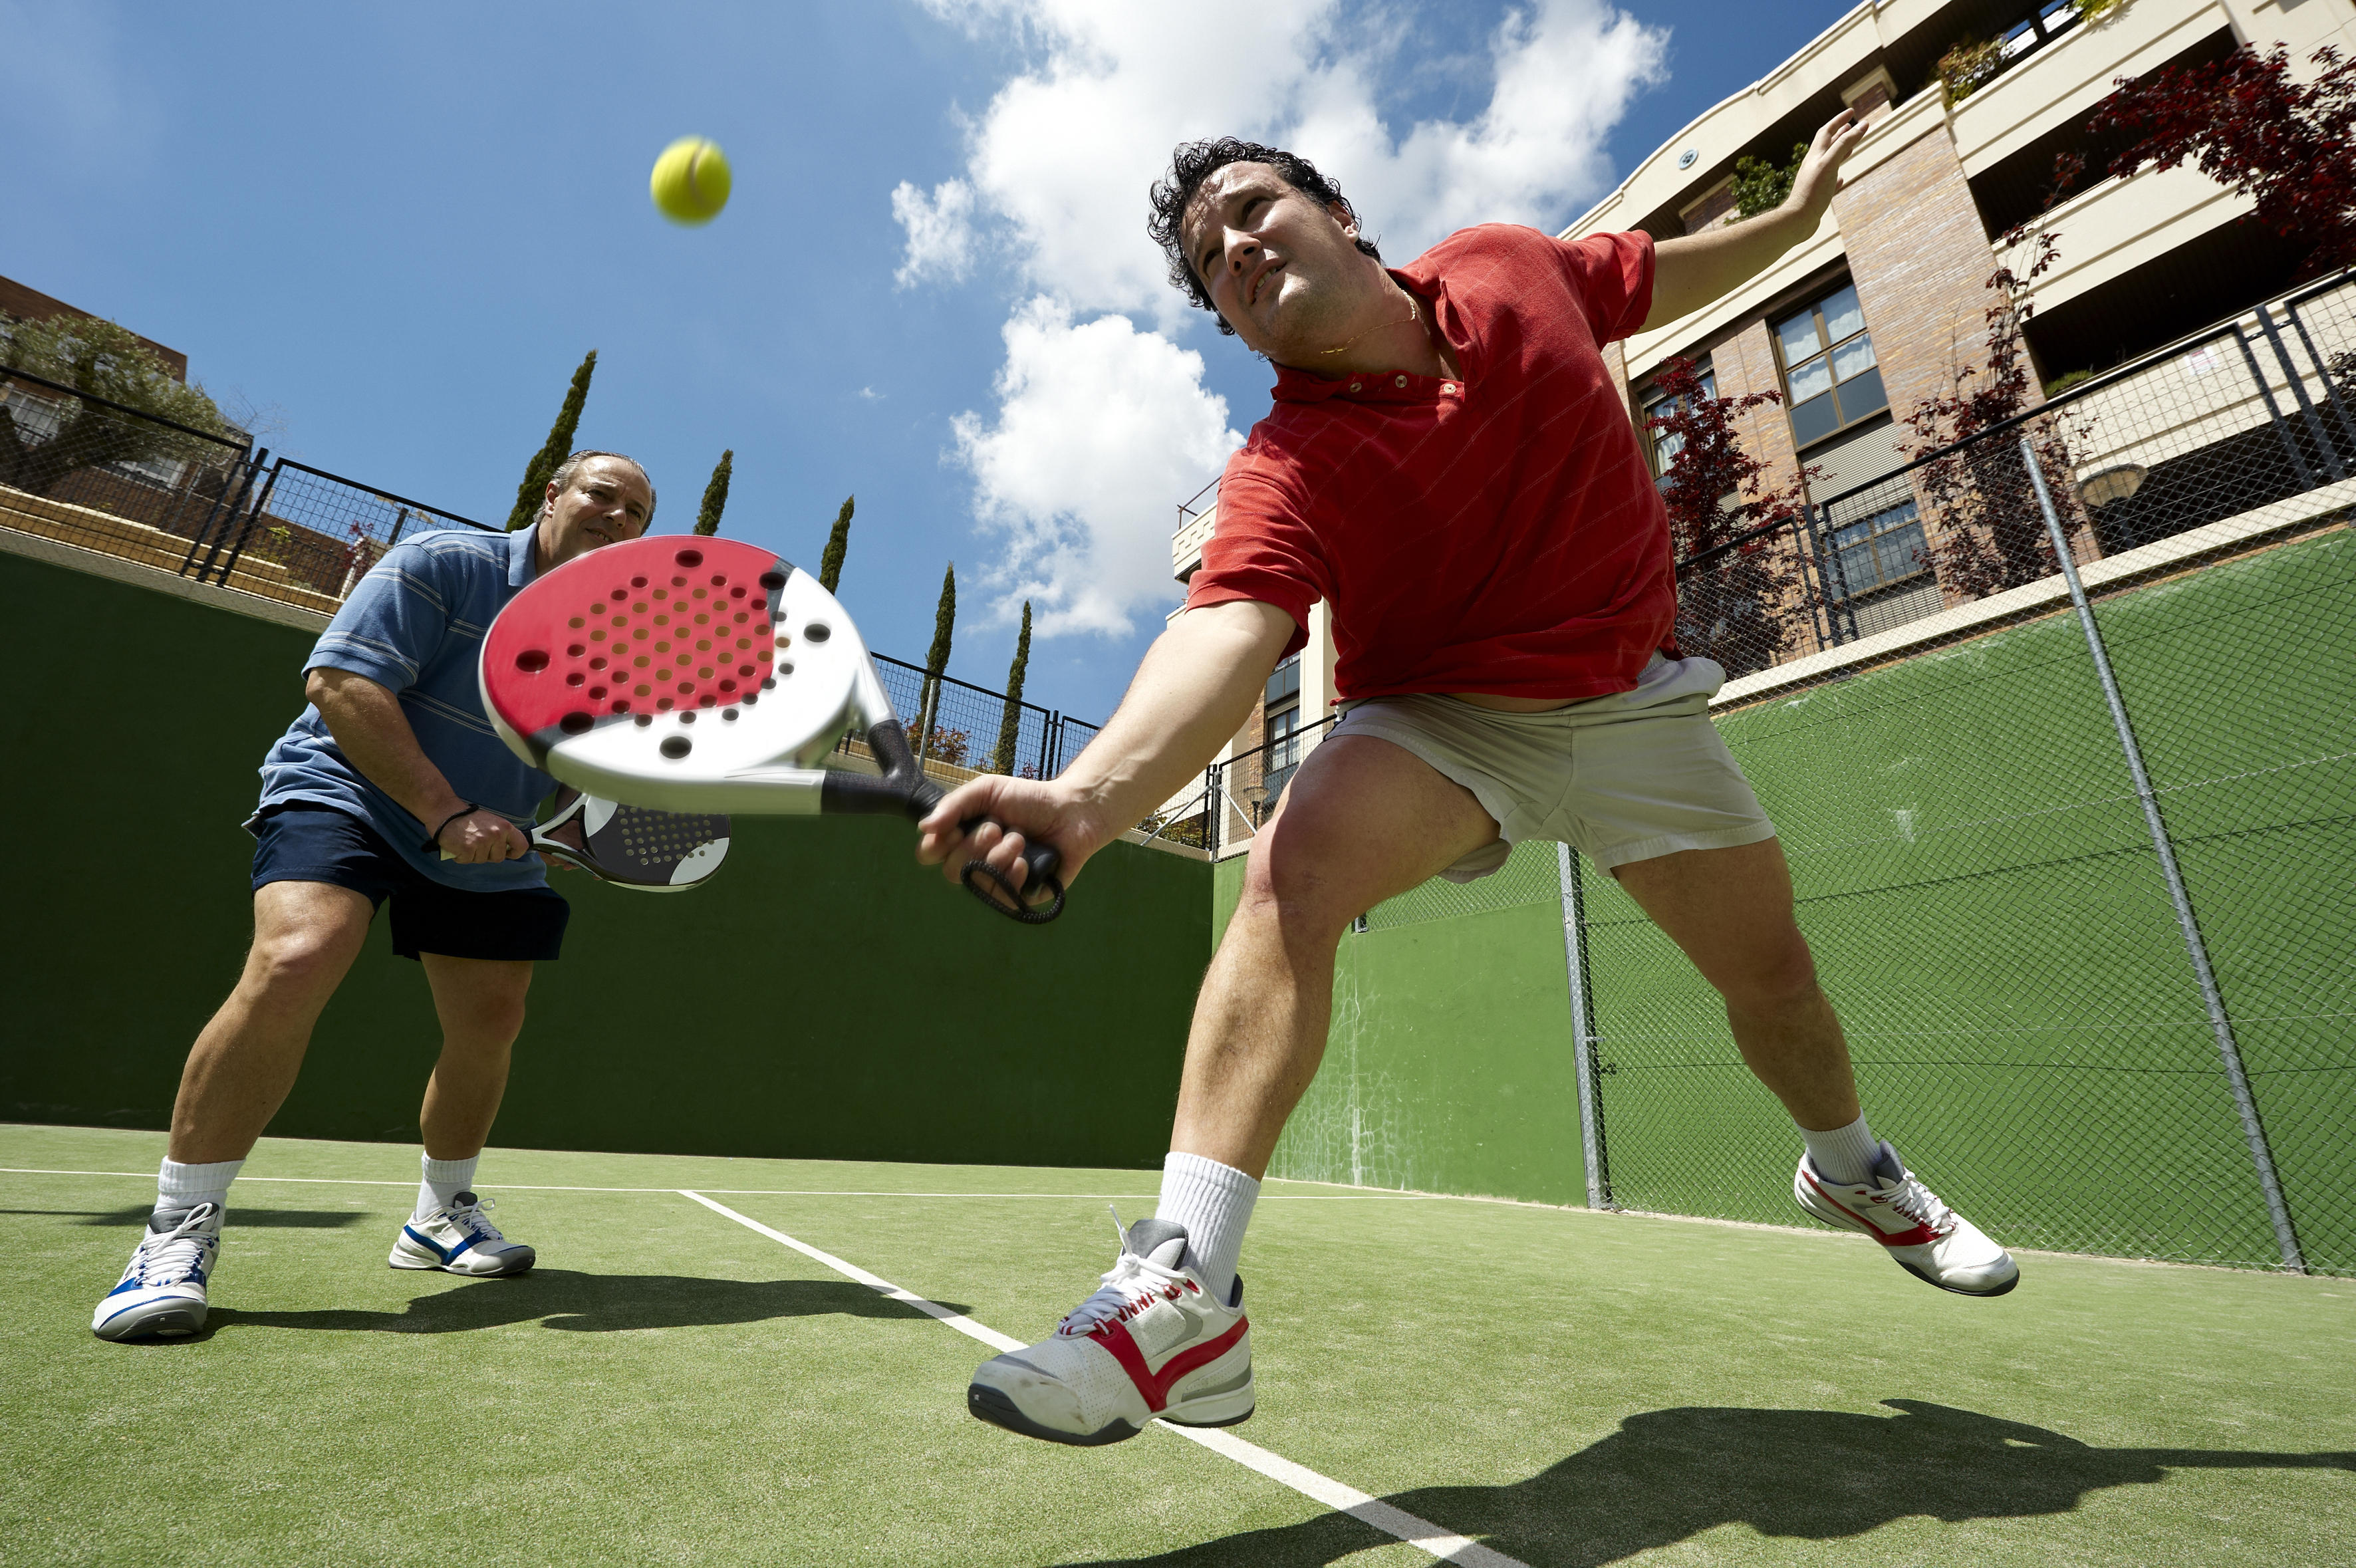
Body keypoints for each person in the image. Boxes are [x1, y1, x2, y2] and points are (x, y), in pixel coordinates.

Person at [922, 114, 2018, 1446]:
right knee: (1292, 863)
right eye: (1211, 263)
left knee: (1772, 983)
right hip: (1443, 722)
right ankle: (1184, 1291)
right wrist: (1088, 801)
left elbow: (1648, 275)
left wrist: (1794, 222)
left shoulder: (1509, 264)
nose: (1237, 248)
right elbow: (1222, 630)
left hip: (1634, 707)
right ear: (1236, 329)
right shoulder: (1285, 468)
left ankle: (1852, 1172)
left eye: (1253, 209)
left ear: (1345, 224)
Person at [91, 452, 656, 1341]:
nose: (617, 517)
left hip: (487, 823)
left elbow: (566, 763)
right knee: (300, 953)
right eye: (602, 494)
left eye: (637, 513)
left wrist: (576, 826)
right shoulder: (444, 563)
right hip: (350, 788)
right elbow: (340, 684)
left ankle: (439, 1216)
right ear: (552, 496)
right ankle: (175, 1233)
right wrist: (443, 809)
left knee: (493, 1016)